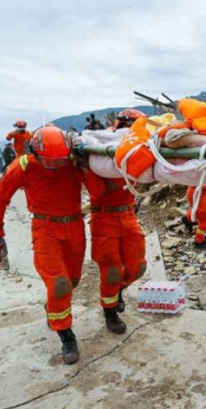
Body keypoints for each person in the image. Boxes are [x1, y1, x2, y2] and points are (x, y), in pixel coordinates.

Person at [0, 125, 85, 365]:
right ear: (36, 153)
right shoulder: (23, 165)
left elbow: (102, 180)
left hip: (75, 228)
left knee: (72, 281)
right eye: (50, 163)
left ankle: (52, 308)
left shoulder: (73, 161)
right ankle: (66, 335)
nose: (56, 167)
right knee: (60, 284)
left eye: (60, 162)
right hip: (45, 229)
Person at [82, 110, 148, 334]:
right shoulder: (101, 149)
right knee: (110, 270)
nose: (127, 129)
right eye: (126, 124)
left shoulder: (137, 148)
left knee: (137, 266)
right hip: (104, 216)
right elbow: (97, 192)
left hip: (127, 214)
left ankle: (119, 290)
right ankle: (109, 312)